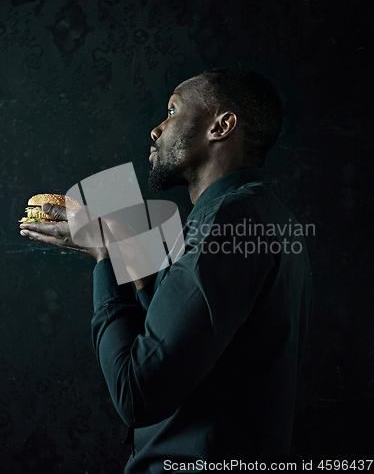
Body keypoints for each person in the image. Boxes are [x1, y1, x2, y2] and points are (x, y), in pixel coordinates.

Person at [20, 68, 313, 473]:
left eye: (173, 111)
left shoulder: (226, 222)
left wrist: (104, 253)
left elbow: (136, 392)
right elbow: (191, 341)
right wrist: (126, 253)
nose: (157, 130)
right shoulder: (258, 213)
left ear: (222, 126)